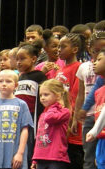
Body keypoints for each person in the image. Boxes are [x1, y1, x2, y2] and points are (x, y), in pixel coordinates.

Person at [0, 70, 33, 169]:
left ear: (16, 85)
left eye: (8, 81)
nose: (4, 84)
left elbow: (25, 129)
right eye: (0, 81)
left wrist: (20, 153)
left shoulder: (21, 104)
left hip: (15, 152)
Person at [74, 31, 105, 169]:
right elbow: (88, 94)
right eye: (95, 52)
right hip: (91, 117)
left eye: (101, 55)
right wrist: (83, 110)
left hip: (101, 120)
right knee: (90, 156)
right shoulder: (90, 71)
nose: (97, 57)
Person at [15, 41, 47, 168]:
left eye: (22, 59)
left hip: (33, 120)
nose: (18, 62)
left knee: (30, 150)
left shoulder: (39, 76)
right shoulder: (19, 77)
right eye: (17, 59)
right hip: (19, 120)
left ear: (33, 59)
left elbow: (42, 101)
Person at [55, 33, 85, 169]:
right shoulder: (60, 69)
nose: (59, 49)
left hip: (71, 123)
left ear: (75, 49)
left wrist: (73, 118)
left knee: (74, 158)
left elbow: (76, 95)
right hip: (59, 121)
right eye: (58, 47)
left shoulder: (78, 68)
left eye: (63, 46)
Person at [31, 79, 71, 169]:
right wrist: (35, 159)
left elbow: (50, 118)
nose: (42, 98)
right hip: (41, 157)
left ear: (58, 95)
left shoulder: (64, 112)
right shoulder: (43, 114)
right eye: (41, 95)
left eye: (46, 94)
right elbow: (39, 137)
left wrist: (55, 106)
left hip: (56, 158)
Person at [85, 49, 105, 169]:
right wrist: (95, 131)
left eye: (99, 59)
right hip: (102, 139)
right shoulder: (99, 91)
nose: (94, 62)